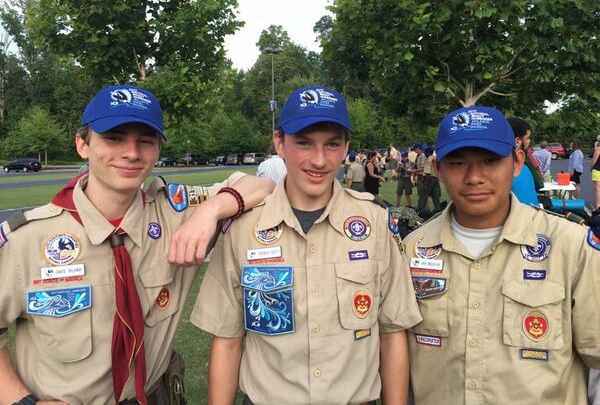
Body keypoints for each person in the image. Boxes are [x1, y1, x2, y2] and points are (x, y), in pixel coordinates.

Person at [0, 85, 274, 405]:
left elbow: (263, 184)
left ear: (157, 150)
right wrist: (21, 401)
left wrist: (210, 212)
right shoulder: (27, 239)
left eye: (145, 141)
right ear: (82, 145)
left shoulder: (174, 214)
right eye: (114, 137)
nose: (132, 152)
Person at [192, 85, 422, 405]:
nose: (318, 159)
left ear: (346, 148)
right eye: (304, 143)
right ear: (279, 143)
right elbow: (227, 340)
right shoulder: (244, 229)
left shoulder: (375, 224)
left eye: (332, 144)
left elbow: (392, 332)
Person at [404, 105, 600, 405]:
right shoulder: (411, 250)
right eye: (457, 163)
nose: (474, 177)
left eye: (490, 160)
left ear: (517, 162)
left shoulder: (570, 248)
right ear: (438, 168)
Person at [507, 117, 539, 206]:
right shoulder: (521, 170)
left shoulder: (496, 169)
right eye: (527, 138)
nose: (529, 141)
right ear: (517, 141)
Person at [421, 146, 441, 212]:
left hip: (429, 179)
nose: (424, 153)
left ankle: (421, 211)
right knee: (436, 196)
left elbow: (428, 173)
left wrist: (426, 184)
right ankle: (438, 211)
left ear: (428, 152)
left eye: (425, 152)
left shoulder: (428, 159)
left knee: (424, 196)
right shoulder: (435, 158)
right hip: (436, 179)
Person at [591, 144, 600, 211]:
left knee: (598, 189)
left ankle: (598, 206)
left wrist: (591, 168)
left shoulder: (598, 150)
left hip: (597, 170)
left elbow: (594, 161)